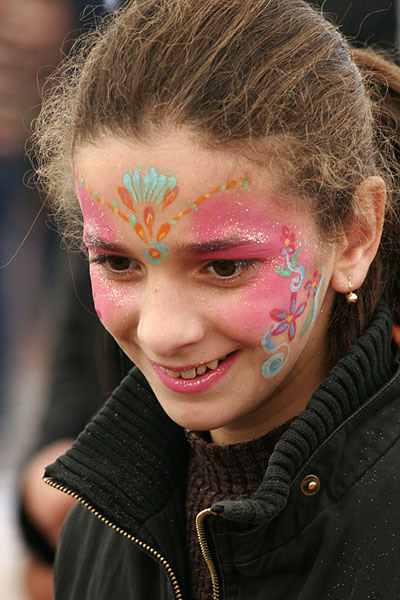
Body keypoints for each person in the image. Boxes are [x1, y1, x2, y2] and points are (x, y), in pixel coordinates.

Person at [32, 0, 400, 598]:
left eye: (224, 267)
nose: (161, 332)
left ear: (355, 234)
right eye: (118, 263)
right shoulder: (97, 527)